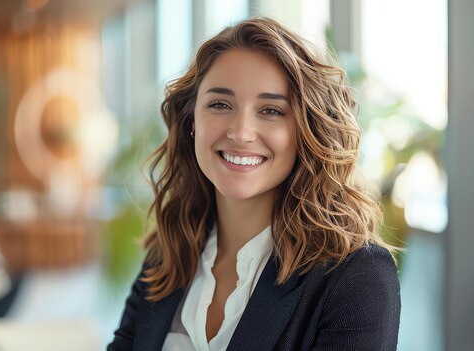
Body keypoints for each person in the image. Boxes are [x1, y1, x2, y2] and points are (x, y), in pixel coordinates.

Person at [108, 17, 401, 351]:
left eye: (271, 110)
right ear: (192, 121)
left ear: (305, 130)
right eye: (220, 104)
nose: (241, 132)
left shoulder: (354, 277)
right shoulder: (168, 256)